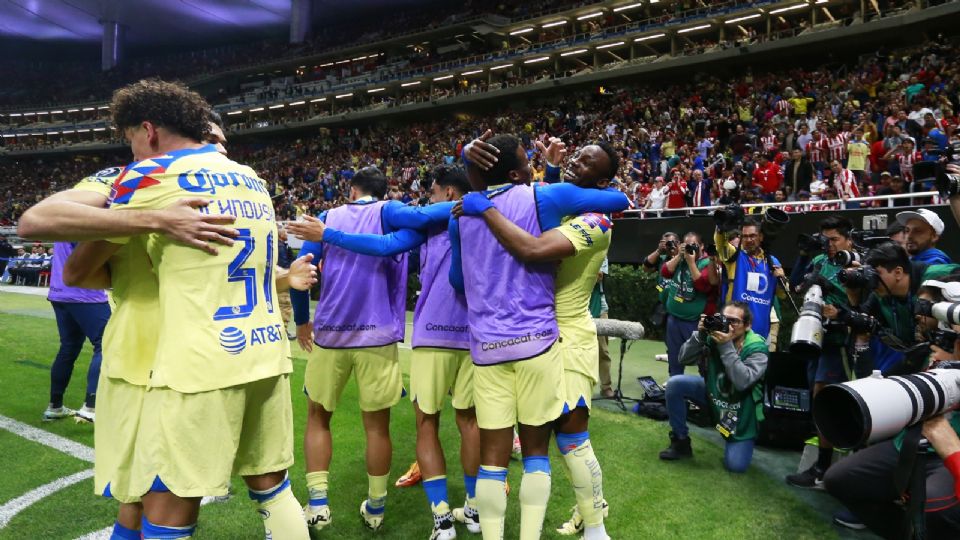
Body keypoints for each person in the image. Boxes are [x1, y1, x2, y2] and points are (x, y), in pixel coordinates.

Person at [96, 79, 309, 540]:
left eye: (130, 136)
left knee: (166, 497)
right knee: (273, 487)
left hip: (197, 365)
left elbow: (49, 237)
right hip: (265, 352)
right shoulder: (251, 176)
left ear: (148, 130)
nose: (131, 148)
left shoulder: (148, 176)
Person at [18, 112, 246, 539]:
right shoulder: (125, 179)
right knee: (161, 499)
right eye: (211, 137)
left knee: (139, 497)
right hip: (159, 361)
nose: (219, 147)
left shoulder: (231, 184)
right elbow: (36, 223)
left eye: (222, 140)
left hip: (177, 356)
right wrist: (152, 218)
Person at [449, 133, 627, 540]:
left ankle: (595, 526)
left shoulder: (595, 221)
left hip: (567, 337)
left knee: (572, 439)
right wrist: (470, 157)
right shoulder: (552, 198)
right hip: (536, 336)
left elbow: (531, 244)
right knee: (541, 446)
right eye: (578, 155)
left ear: (601, 184)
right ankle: (587, 516)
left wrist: (485, 208)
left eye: (587, 163)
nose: (577, 161)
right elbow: (520, 193)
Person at [287, 165, 475, 539]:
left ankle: (319, 503)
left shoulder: (326, 218)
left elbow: (302, 271)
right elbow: (417, 224)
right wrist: (472, 201)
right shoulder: (391, 213)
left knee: (318, 417)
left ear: (352, 191)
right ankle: (375, 507)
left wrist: (303, 321)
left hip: (331, 335)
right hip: (378, 335)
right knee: (377, 426)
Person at [785, 216, 858, 489]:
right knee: (819, 402)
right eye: (825, 240)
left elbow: (862, 301)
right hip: (814, 338)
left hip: (840, 343)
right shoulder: (819, 261)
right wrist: (804, 259)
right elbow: (796, 286)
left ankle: (824, 469)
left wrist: (830, 287)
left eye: (834, 240)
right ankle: (822, 466)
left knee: (825, 398)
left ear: (848, 239)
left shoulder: (855, 262)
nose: (829, 245)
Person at [659, 302, 769, 473]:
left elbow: (742, 382)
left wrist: (725, 346)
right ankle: (680, 441)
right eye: (724, 320)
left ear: (747, 326)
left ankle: (734, 437)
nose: (728, 326)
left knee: (735, 466)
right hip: (713, 393)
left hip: (741, 410)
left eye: (734, 321)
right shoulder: (713, 337)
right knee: (675, 384)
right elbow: (683, 359)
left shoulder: (757, 348)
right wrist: (700, 336)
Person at [41, 241, 110, 423]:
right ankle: (91, 407)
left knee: (68, 348)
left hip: (59, 292)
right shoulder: (82, 219)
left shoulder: (65, 218)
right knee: (105, 344)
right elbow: (91, 254)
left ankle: (55, 406)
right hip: (85, 294)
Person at [715, 216, 785, 342]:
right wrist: (721, 228)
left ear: (761, 237)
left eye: (753, 235)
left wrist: (782, 278)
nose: (748, 240)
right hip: (733, 331)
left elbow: (783, 294)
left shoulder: (772, 262)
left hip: (761, 332)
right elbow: (721, 244)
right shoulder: (734, 257)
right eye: (745, 236)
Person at [661, 233, 714, 377]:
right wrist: (679, 256)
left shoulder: (707, 263)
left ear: (702, 246)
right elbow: (665, 272)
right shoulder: (680, 259)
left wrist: (691, 262)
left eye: (694, 245)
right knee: (674, 358)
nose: (690, 248)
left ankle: (705, 393)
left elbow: (703, 285)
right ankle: (675, 388)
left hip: (694, 322)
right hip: (674, 319)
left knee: (702, 360)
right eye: (686, 245)